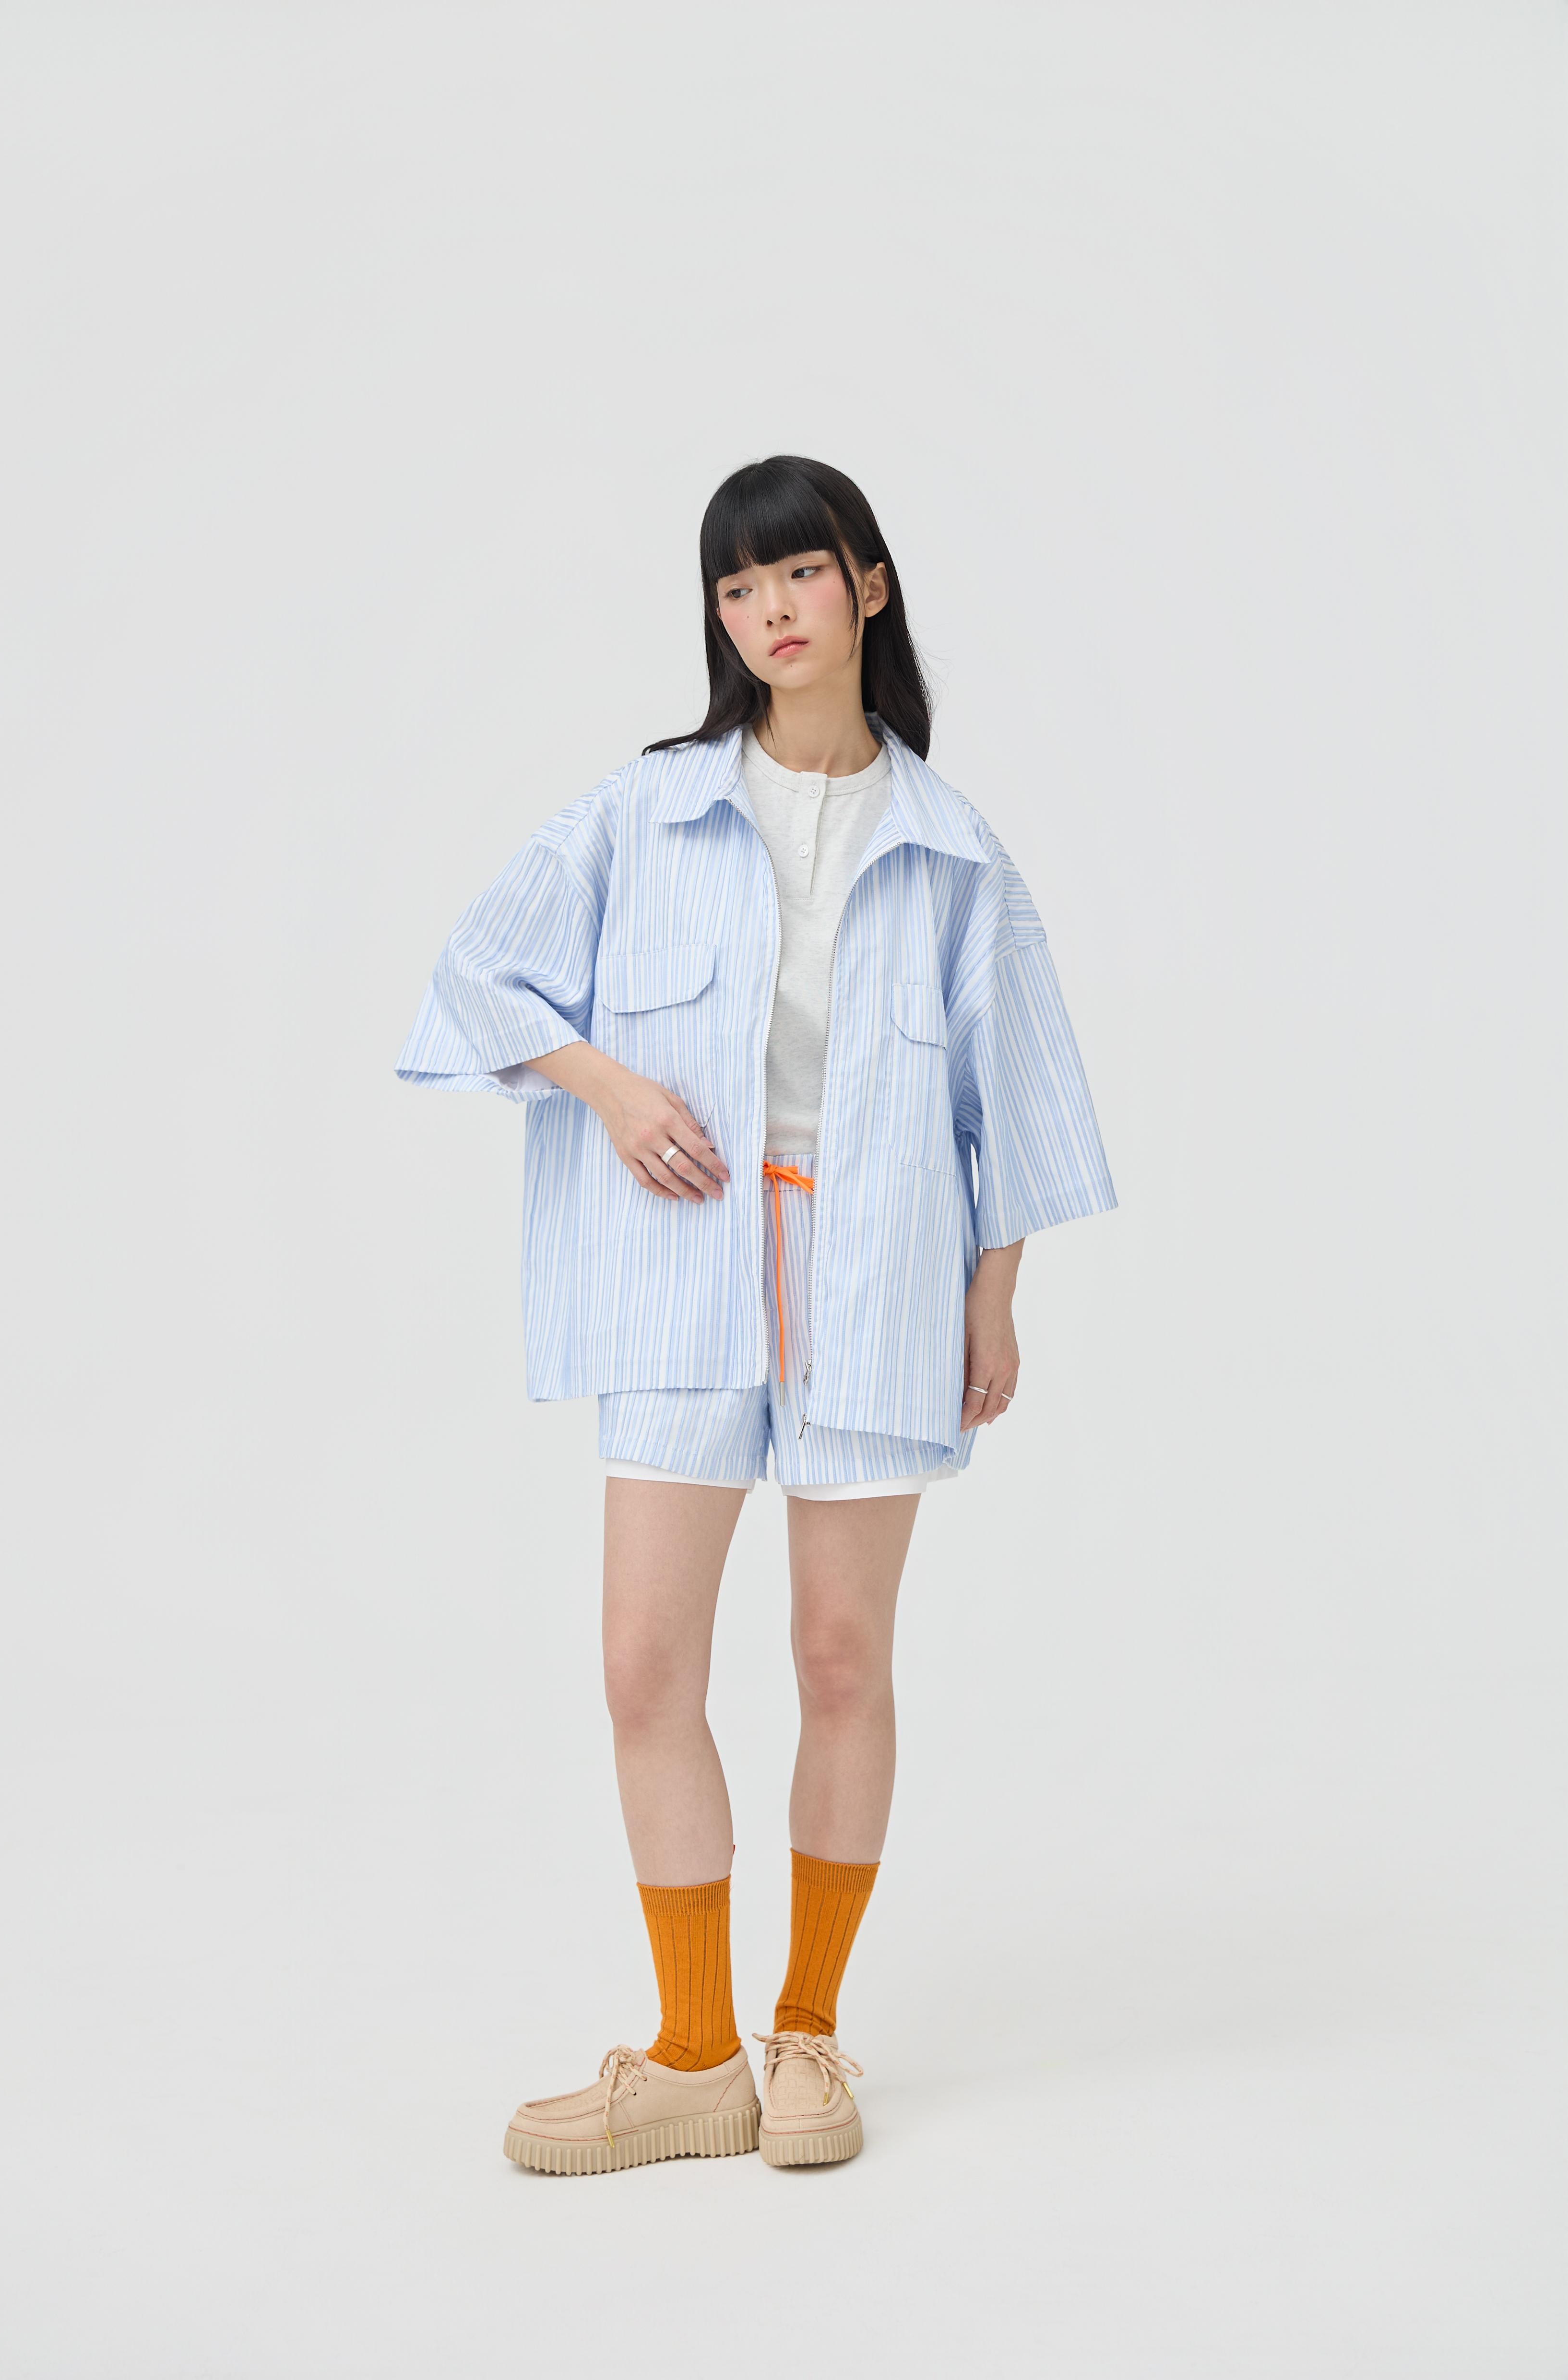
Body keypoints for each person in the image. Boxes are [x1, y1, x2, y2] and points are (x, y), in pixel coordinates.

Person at [395, 454, 1116, 2174]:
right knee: (644, 1661)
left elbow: (1012, 1092)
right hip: (679, 1274)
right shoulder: (645, 810)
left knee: (839, 1656)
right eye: (735, 587)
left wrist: (995, 1293)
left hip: (876, 1279)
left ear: (867, 585)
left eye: (796, 573)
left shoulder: (951, 850)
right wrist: (611, 1088)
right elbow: (478, 971)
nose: (768, 611)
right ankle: (690, 2052)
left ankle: (806, 2034)